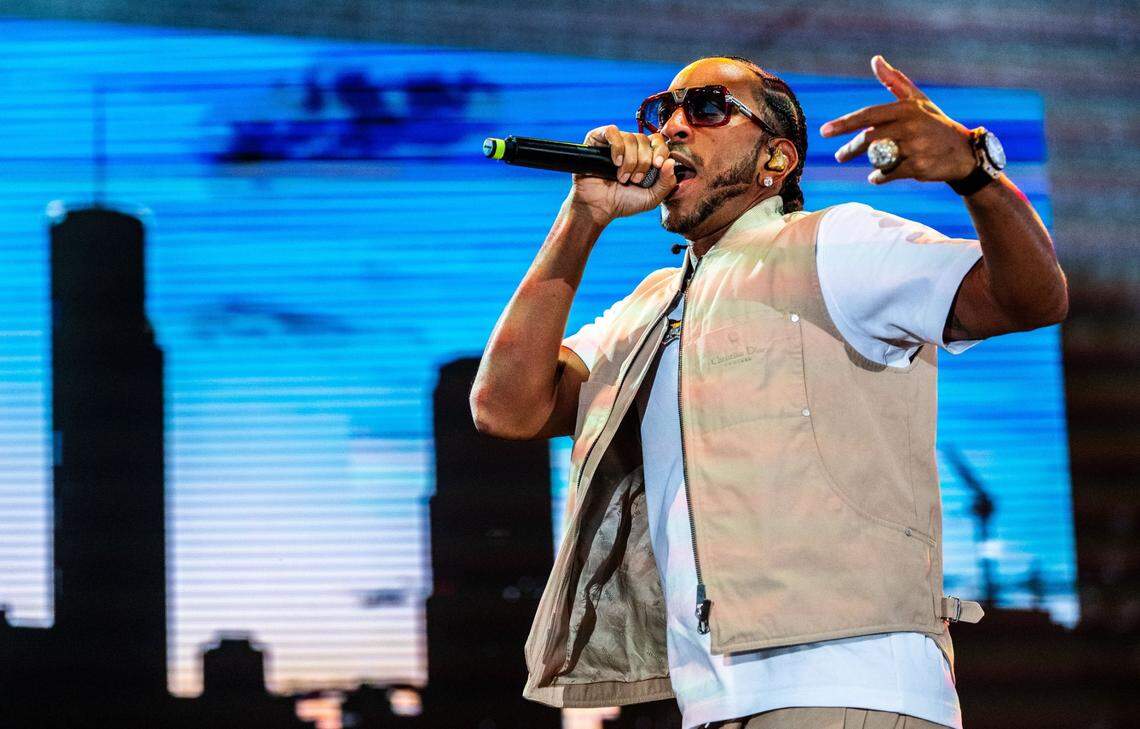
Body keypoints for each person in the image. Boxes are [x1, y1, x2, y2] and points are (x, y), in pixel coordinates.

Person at [469, 55, 1068, 729]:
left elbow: (1030, 297)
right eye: (661, 111)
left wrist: (975, 172)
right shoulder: (649, 306)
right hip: (714, 704)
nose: (671, 127)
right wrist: (582, 217)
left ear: (774, 161)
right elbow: (503, 406)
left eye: (706, 108)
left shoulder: (834, 242)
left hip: (849, 687)